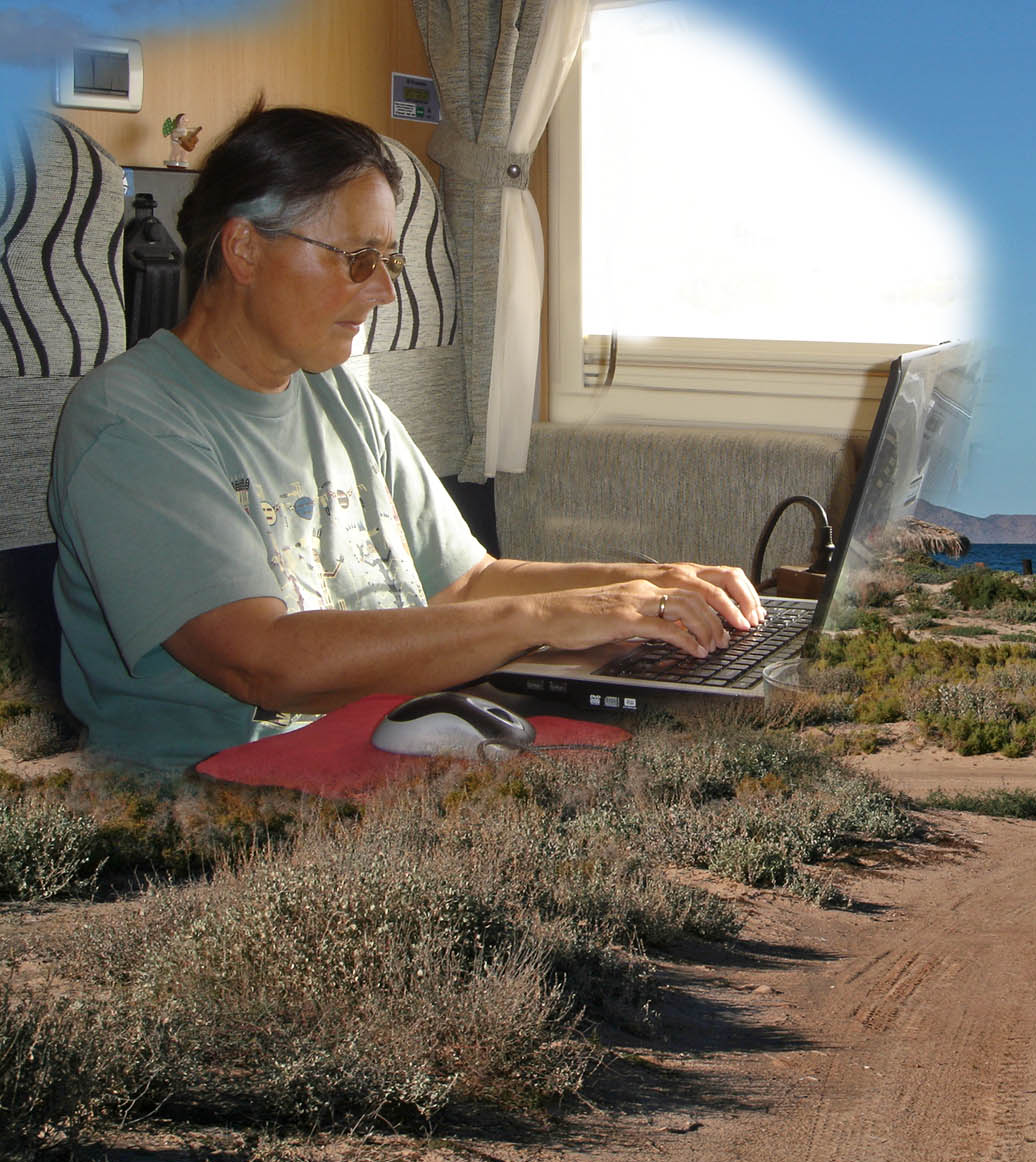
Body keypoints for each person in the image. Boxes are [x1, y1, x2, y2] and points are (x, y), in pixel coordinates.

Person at [49, 104, 763, 771]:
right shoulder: (132, 421)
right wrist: (551, 615)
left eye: (386, 263)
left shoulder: (337, 397)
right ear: (244, 248)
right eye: (358, 258)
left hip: (389, 743)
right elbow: (264, 664)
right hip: (219, 803)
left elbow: (466, 583)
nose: (384, 292)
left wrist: (647, 585)